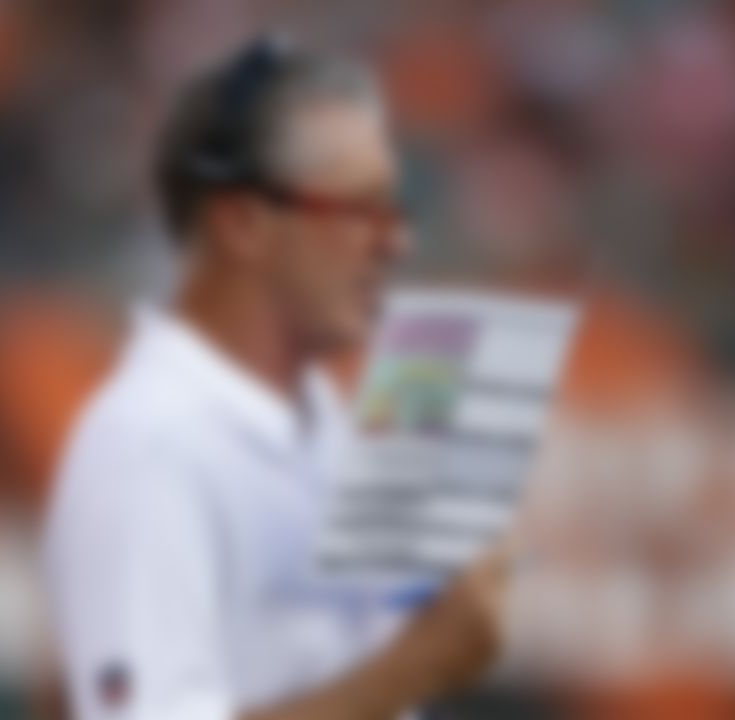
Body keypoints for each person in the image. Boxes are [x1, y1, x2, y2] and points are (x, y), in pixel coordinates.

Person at [43, 35, 508, 720]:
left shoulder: (327, 418)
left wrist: (442, 617)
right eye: (357, 209)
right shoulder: (146, 444)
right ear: (242, 224)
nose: (395, 241)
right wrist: (409, 669)